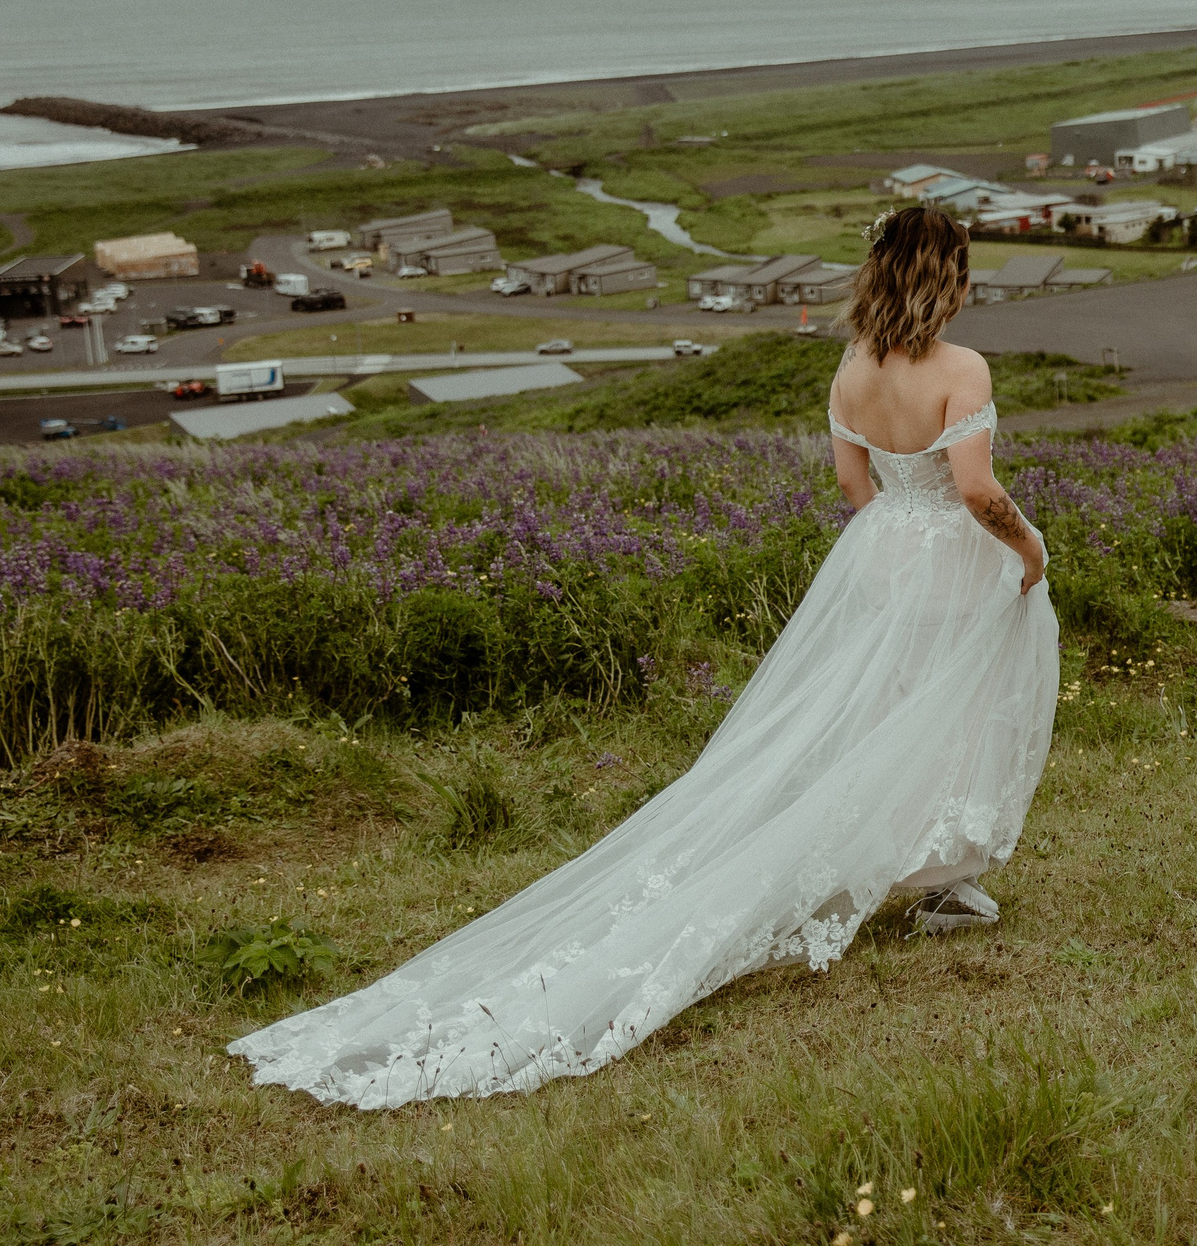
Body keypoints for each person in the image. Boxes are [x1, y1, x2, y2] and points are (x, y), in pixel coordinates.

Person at [229, 205, 1057, 1109]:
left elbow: (852, 488)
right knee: (952, 708)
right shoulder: (962, 367)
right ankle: (944, 882)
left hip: (882, 552)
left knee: (883, 712)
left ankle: (924, 876)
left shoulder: (852, 369)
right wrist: (1029, 554)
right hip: (948, 553)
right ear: (947, 277)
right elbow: (976, 489)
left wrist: (897, 535)